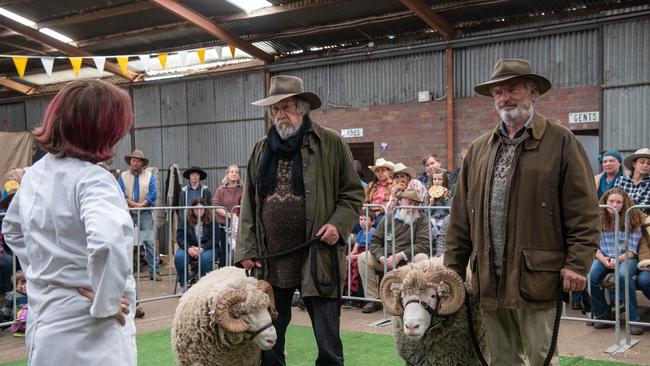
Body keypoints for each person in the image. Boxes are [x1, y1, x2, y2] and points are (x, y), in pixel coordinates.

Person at [444, 59, 600, 366]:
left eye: (512, 89)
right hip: (489, 278)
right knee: (501, 359)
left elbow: (584, 212)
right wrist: (453, 271)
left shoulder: (561, 141)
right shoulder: (478, 150)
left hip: (537, 277)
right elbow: (460, 219)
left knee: (541, 358)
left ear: (533, 92)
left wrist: (577, 263)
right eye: (498, 92)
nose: (504, 98)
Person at [1, 79, 136, 365]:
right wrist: (106, 302)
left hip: (46, 319)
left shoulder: (36, 173)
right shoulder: (94, 179)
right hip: (89, 329)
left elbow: (11, 230)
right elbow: (109, 242)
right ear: (102, 128)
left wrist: (43, 270)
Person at [235, 75, 364, 366]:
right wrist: (247, 249)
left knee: (328, 341)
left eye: (287, 106)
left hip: (317, 257)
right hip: (271, 261)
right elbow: (249, 205)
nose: (281, 114)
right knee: (268, 339)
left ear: (302, 108)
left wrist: (338, 225)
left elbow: (353, 193)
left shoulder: (329, 142)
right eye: (275, 109)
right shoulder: (260, 149)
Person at [358, 189, 430, 313]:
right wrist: (381, 257)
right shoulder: (388, 218)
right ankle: (373, 299)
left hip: (408, 260)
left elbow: (422, 244)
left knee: (422, 257)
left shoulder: (422, 219)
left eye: (416, 204)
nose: (412, 206)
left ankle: (415, 299)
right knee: (363, 257)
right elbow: (375, 242)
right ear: (401, 201)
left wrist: (400, 256)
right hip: (386, 259)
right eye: (409, 202)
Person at [588, 188, 645, 335]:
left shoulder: (632, 219)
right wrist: (604, 260)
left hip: (626, 257)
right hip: (603, 257)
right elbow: (594, 246)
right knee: (590, 278)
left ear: (624, 204)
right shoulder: (597, 219)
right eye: (611, 201)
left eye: (619, 202)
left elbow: (632, 251)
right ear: (605, 202)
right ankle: (603, 313)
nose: (615, 204)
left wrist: (615, 260)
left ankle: (633, 320)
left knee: (622, 276)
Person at [118, 149, 160, 281]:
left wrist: (143, 204)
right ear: (130, 161)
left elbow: (153, 192)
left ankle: (155, 272)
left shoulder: (149, 176)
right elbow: (119, 191)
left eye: (138, 161)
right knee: (124, 241)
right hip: (127, 212)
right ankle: (123, 274)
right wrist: (130, 202)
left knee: (149, 242)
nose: (135, 163)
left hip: (144, 212)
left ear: (142, 163)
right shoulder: (123, 176)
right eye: (133, 160)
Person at [174, 198, 216, 294]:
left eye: (201, 209)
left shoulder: (211, 220)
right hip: (190, 247)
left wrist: (202, 248)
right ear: (192, 210)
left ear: (205, 209)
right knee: (179, 257)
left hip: (207, 247)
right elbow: (180, 237)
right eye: (196, 209)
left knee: (205, 258)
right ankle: (184, 284)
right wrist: (188, 248)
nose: (199, 211)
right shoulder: (186, 220)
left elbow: (215, 238)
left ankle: (203, 286)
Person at [342, 211, 376, 309]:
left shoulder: (374, 232)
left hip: (367, 256)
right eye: (361, 219)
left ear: (373, 222)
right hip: (358, 255)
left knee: (355, 265)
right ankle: (347, 296)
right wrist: (349, 256)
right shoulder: (360, 233)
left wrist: (353, 257)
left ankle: (357, 297)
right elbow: (355, 250)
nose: (362, 222)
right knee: (346, 264)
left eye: (365, 219)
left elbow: (369, 251)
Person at [212, 164, 243, 267]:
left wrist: (237, 216)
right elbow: (216, 206)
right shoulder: (221, 190)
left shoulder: (243, 189)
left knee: (238, 250)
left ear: (239, 176)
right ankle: (224, 272)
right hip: (224, 225)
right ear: (227, 175)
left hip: (240, 226)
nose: (234, 174)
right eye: (232, 172)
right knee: (225, 251)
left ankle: (237, 272)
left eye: (236, 172)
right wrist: (229, 215)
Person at [615, 148, 650, 214]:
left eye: (649, 163)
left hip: (641, 219)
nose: (645, 165)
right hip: (620, 217)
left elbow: (643, 207)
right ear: (634, 164)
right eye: (642, 162)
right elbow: (615, 201)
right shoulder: (621, 180)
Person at [364, 158, 396, 224]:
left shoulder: (394, 184)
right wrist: (366, 211)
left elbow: (392, 202)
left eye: (383, 170)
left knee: (378, 222)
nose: (380, 173)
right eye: (377, 171)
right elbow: (365, 199)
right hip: (370, 212)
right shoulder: (371, 185)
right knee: (357, 222)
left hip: (384, 212)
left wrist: (379, 212)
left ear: (388, 172)